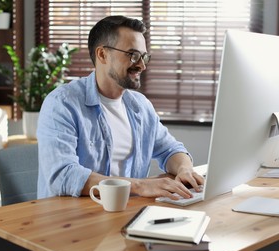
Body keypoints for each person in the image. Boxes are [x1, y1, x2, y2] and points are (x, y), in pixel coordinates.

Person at [37, 15, 204, 200]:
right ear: (102, 54)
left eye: (144, 57)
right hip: (71, 218)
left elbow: (170, 150)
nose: (141, 65)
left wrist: (184, 169)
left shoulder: (140, 106)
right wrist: (140, 186)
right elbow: (63, 175)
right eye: (133, 55)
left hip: (127, 212)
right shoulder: (62, 104)